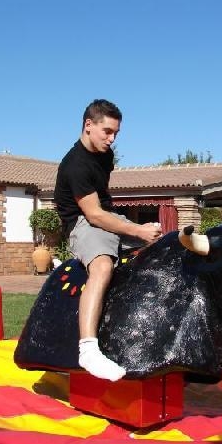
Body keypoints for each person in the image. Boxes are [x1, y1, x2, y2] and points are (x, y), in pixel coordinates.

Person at [54, 99, 162, 381]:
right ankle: (88, 350)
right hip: (82, 222)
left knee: (162, 242)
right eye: (107, 131)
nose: (112, 139)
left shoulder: (105, 155)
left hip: (105, 214)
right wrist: (136, 231)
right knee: (103, 265)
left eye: (116, 133)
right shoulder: (75, 165)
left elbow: (104, 208)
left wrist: (136, 231)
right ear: (88, 126)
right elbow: (94, 216)